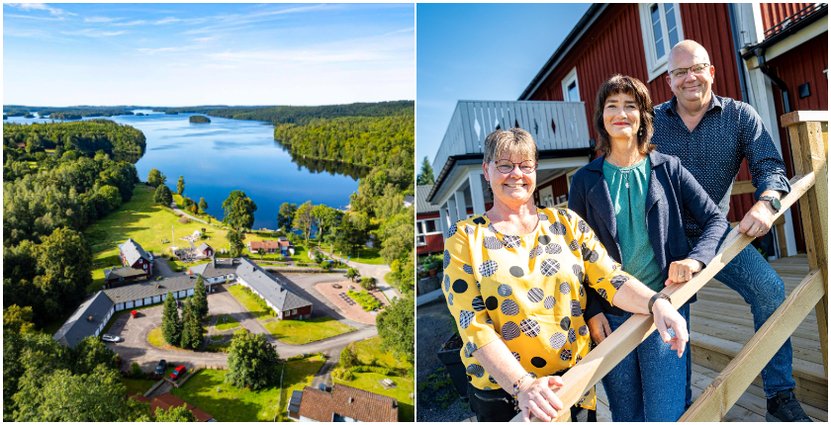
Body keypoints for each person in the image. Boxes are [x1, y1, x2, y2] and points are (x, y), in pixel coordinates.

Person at [441, 128, 689, 422]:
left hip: (573, 382)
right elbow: (474, 326)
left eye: (525, 165)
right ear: (486, 170)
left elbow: (611, 277)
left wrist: (656, 303)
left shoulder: (566, 223)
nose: (516, 174)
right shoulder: (465, 237)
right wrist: (524, 386)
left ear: (535, 170)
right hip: (507, 393)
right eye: (504, 165)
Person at [652, 39, 810, 422]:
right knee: (670, 317)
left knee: (770, 289)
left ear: (711, 71)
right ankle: (684, 409)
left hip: (715, 233)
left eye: (697, 68)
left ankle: (780, 395)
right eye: (679, 72)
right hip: (662, 237)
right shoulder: (650, 120)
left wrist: (767, 201)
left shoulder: (739, 116)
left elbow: (770, 166)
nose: (689, 77)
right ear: (669, 81)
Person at [568, 75, 728, 421]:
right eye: (613, 106)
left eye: (631, 105)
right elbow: (574, 257)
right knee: (626, 414)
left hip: (665, 306)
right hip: (611, 313)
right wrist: (592, 310)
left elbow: (716, 221)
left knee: (665, 413)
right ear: (602, 117)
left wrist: (696, 260)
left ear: (643, 116)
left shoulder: (668, 168)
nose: (621, 113)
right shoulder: (583, 181)